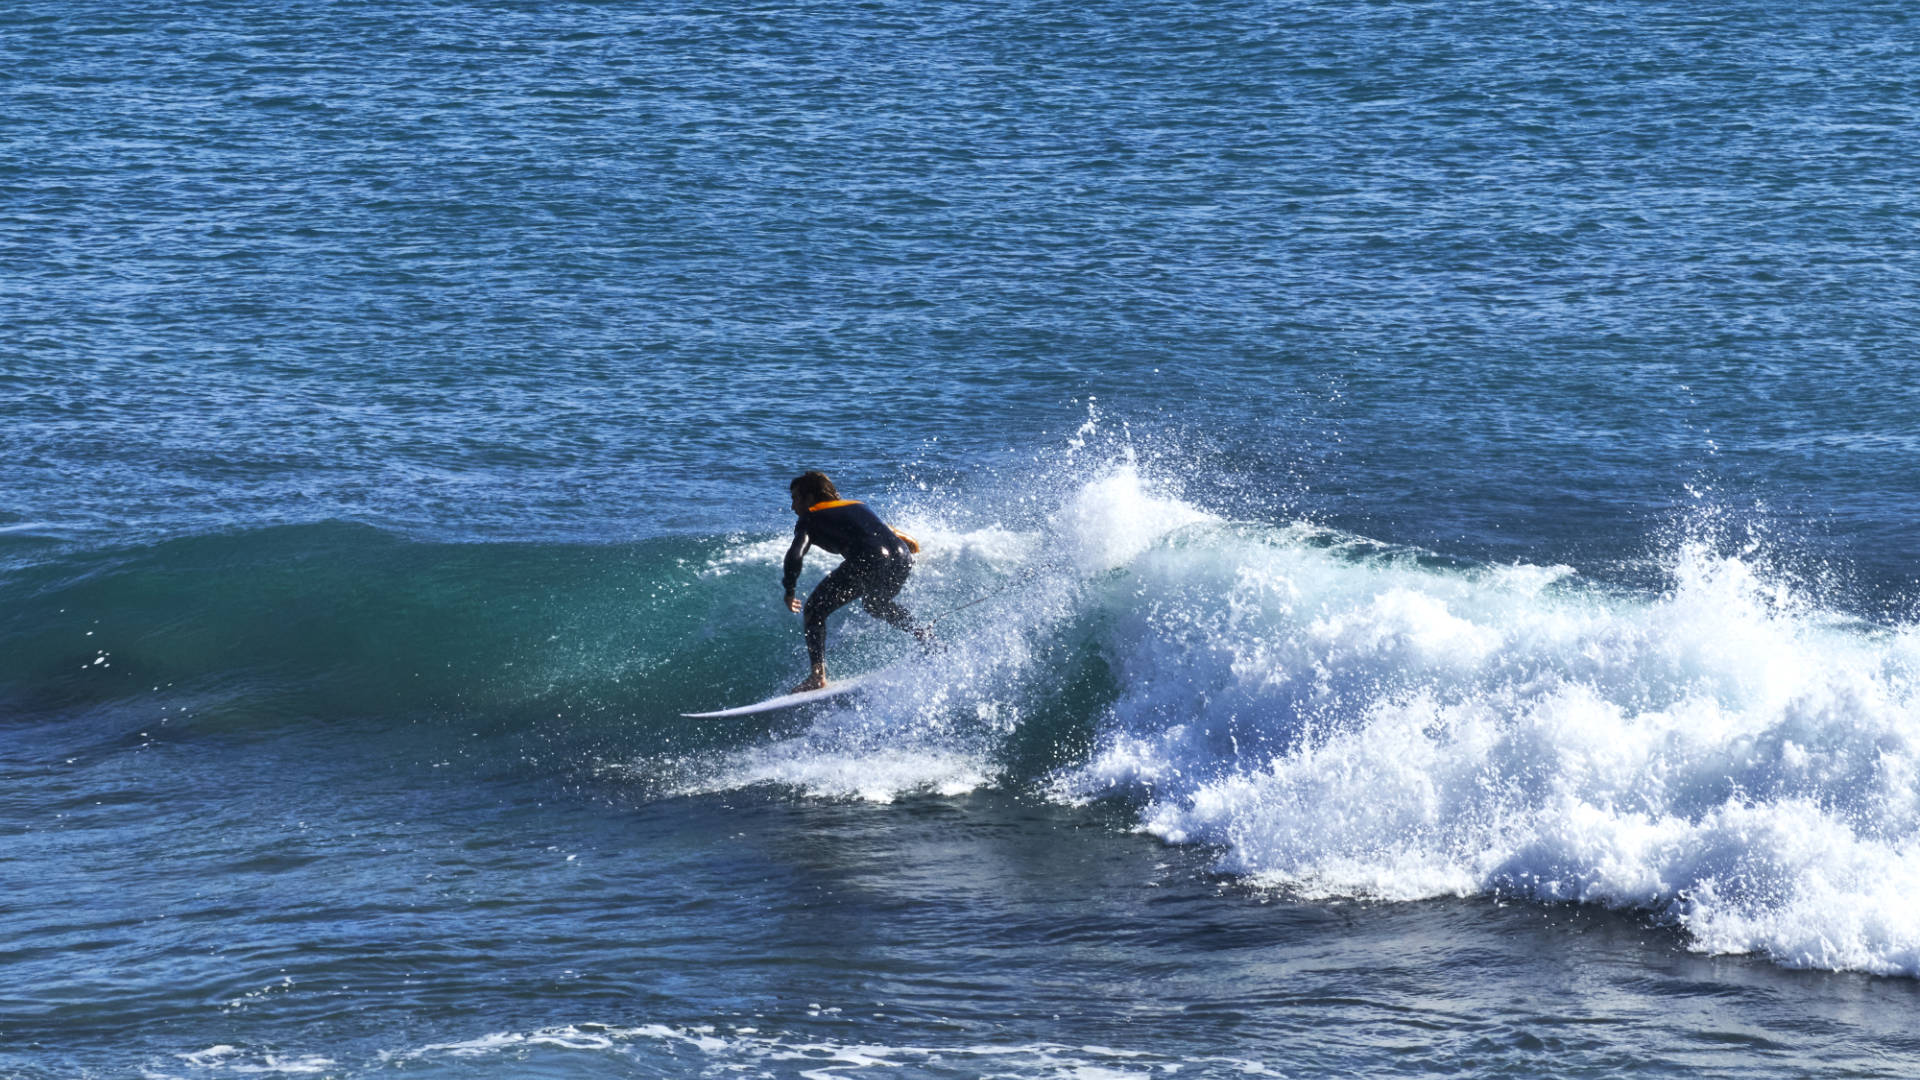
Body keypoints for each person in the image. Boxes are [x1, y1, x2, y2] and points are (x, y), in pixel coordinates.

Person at [782, 471, 931, 692]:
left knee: (814, 609)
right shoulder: (858, 506)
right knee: (875, 604)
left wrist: (790, 589)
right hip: (902, 558)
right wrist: (910, 551)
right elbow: (894, 535)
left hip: (869, 560)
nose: (793, 506)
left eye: (795, 498)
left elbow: (795, 554)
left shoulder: (810, 517)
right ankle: (925, 635)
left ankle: (817, 677)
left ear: (810, 498)